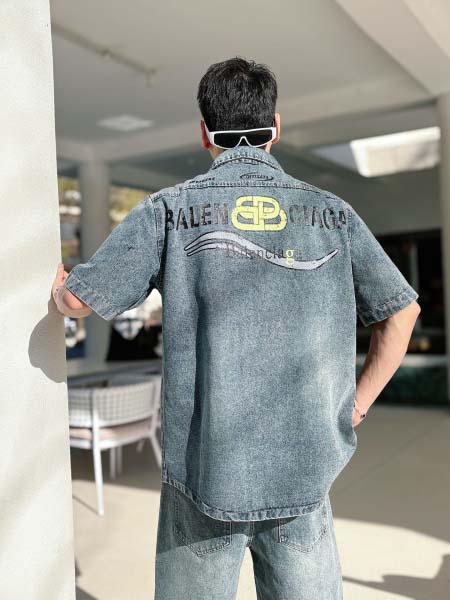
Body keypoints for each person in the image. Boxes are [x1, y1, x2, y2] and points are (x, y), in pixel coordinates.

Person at [52, 57, 421, 599]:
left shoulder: (168, 210)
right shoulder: (333, 214)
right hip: (303, 472)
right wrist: (355, 405)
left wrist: (63, 287)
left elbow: (78, 302)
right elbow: (402, 311)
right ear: (276, 128)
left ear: (205, 132)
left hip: (204, 475)